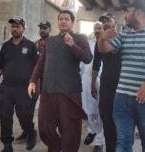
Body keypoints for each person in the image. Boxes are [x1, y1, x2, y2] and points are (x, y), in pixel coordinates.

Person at [97, 0, 145, 151]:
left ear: (138, 12)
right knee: (123, 142)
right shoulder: (124, 35)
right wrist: (102, 38)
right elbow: (104, 49)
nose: (125, 15)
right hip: (122, 98)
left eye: (128, 11)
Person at [28, 10, 93, 152]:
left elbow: (88, 58)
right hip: (48, 92)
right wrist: (33, 80)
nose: (63, 21)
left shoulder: (80, 38)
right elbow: (41, 62)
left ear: (73, 22)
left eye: (67, 19)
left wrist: (72, 45)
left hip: (69, 93)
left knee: (70, 131)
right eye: (61, 19)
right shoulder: (50, 41)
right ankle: (56, 148)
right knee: (44, 128)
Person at [0, 17, 39, 152]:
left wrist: (36, 85)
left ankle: (30, 132)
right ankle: (7, 145)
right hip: (7, 87)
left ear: (23, 29)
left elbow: (37, 67)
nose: (14, 29)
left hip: (24, 88)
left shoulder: (31, 45)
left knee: (24, 115)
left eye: (17, 26)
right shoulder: (6, 46)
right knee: (5, 115)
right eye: (13, 26)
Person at [92, 12, 122, 152]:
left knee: (121, 121)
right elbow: (96, 65)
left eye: (108, 20)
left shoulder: (124, 38)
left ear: (115, 22)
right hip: (106, 87)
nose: (105, 23)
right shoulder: (100, 42)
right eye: (103, 21)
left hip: (123, 86)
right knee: (107, 119)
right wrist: (93, 83)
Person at [82, 22, 105, 151]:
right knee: (85, 111)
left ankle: (99, 141)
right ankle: (92, 130)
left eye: (99, 28)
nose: (97, 30)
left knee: (101, 112)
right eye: (95, 28)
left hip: (102, 82)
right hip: (85, 80)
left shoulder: (109, 43)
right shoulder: (88, 44)